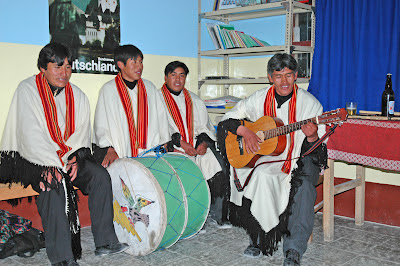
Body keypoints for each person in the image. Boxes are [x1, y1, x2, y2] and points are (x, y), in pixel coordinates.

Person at [0, 42, 128, 266]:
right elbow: (30, 134)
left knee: (99, 176)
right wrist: (51, 165)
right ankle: (62, 258)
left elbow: (80, 133)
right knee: (52, 184)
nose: (64, 73)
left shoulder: (77, 95)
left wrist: (76, 158)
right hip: (33, 160)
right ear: (43, 68)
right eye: (57, 67)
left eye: (68, 67)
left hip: (67, 158)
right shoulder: (27, 90)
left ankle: (105, 242)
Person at [217, 53, 327, 265]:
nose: (283, 82)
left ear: (296, 76)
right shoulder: (258, 98)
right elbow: (227, 119)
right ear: (270, 77)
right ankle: (259, 238)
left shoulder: (310, 104)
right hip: (267, 157)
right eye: (278, 76)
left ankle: (294, 248)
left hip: (299, 158)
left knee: (303, 185)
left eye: (288, 75)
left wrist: (311, 134)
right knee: (259, 174)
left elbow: (318, 147)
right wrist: (245, 132)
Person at [160, 61, 230, 226]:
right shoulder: (156, 100)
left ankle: (217, 213)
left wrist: (203, 144)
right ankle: (193, 218)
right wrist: (181, 144)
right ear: (165, 77)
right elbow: (158, 130)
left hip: (196, 147)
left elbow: (204, 127)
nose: (178, 79)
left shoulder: (194, 100)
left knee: (219, 165)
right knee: (184, 173)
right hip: (172, 148)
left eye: (182, 75)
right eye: (173, 75)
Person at [93, 44, 170, 166]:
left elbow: (161, 118)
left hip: (150, 153)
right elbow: (101, 124)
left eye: (140, 62)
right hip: (120, 151)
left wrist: (164, 142)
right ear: (120, 65)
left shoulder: (150, 88)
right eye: (133, 62)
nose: (139, 66)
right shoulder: (109, 90)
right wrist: (109, 149)